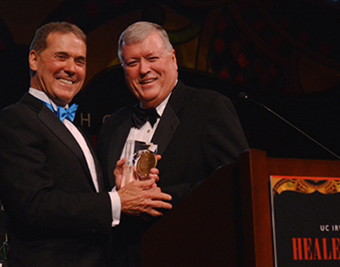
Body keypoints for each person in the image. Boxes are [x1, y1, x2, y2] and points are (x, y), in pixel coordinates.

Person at [0, 21, 172, 267]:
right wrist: (118, 202)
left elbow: (78, 200)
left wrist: (116, 190)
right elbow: (33, 206)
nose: (71, 69)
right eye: (62, 57)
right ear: (34, 60)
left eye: (80, 61)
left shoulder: (73, 126)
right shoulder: (15, 119)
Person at [96, 21, 249, 266]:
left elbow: (235, 182)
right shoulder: (113, 125)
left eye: (152, 58)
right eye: (132, 63)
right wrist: (118, 195)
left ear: (173, 59)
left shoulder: (208, 107)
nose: (144, 69)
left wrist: (163, 198)